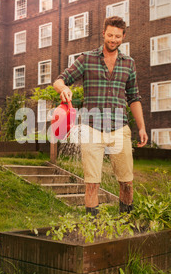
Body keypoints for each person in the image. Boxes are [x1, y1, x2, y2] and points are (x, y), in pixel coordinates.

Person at [53, 16, 148, 215]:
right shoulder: (87, 59)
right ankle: (92, 231)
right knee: (92, 183)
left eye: (118, 36)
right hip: (91, 128)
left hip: (119, 128)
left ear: (123, 37)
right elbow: (61, 79)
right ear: (103, 33)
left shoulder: (129, 63)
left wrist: (141, 127)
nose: (113, 39)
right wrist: (63, 89)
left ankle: (126, 224)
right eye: (110, 35)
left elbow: (134, 97)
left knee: (127, 183)